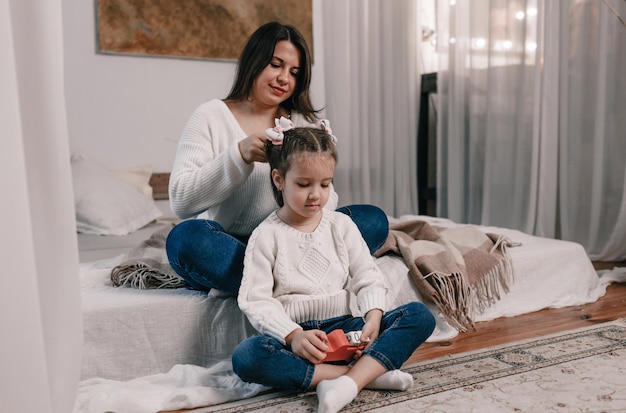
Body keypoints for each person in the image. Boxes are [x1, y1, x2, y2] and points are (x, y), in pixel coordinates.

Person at [165, 21, 389, 294]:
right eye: (275, 64)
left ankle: (268, 285)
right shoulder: (210, 116)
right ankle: (299, 283)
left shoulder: (299, 122)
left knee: (373, 219)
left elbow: (325, 201)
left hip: (295, 242)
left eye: (294, 72)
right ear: (254, 62)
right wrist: (238, 157)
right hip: (237, 246)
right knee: (185, 239)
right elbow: (180, 201)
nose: (285, 78)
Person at [231, 124, 435, 413]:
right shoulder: (265, 236)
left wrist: (373, 317)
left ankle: (347, 381)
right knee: (247, 357)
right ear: (279, 179)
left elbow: (368, 275)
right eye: (304, 185)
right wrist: (293, 336)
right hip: (299, 339)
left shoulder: (341, 225)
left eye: (325, 184)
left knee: (419, 315)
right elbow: (256, 300)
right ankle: (363, 375)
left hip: (345, 329)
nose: (316, 194)